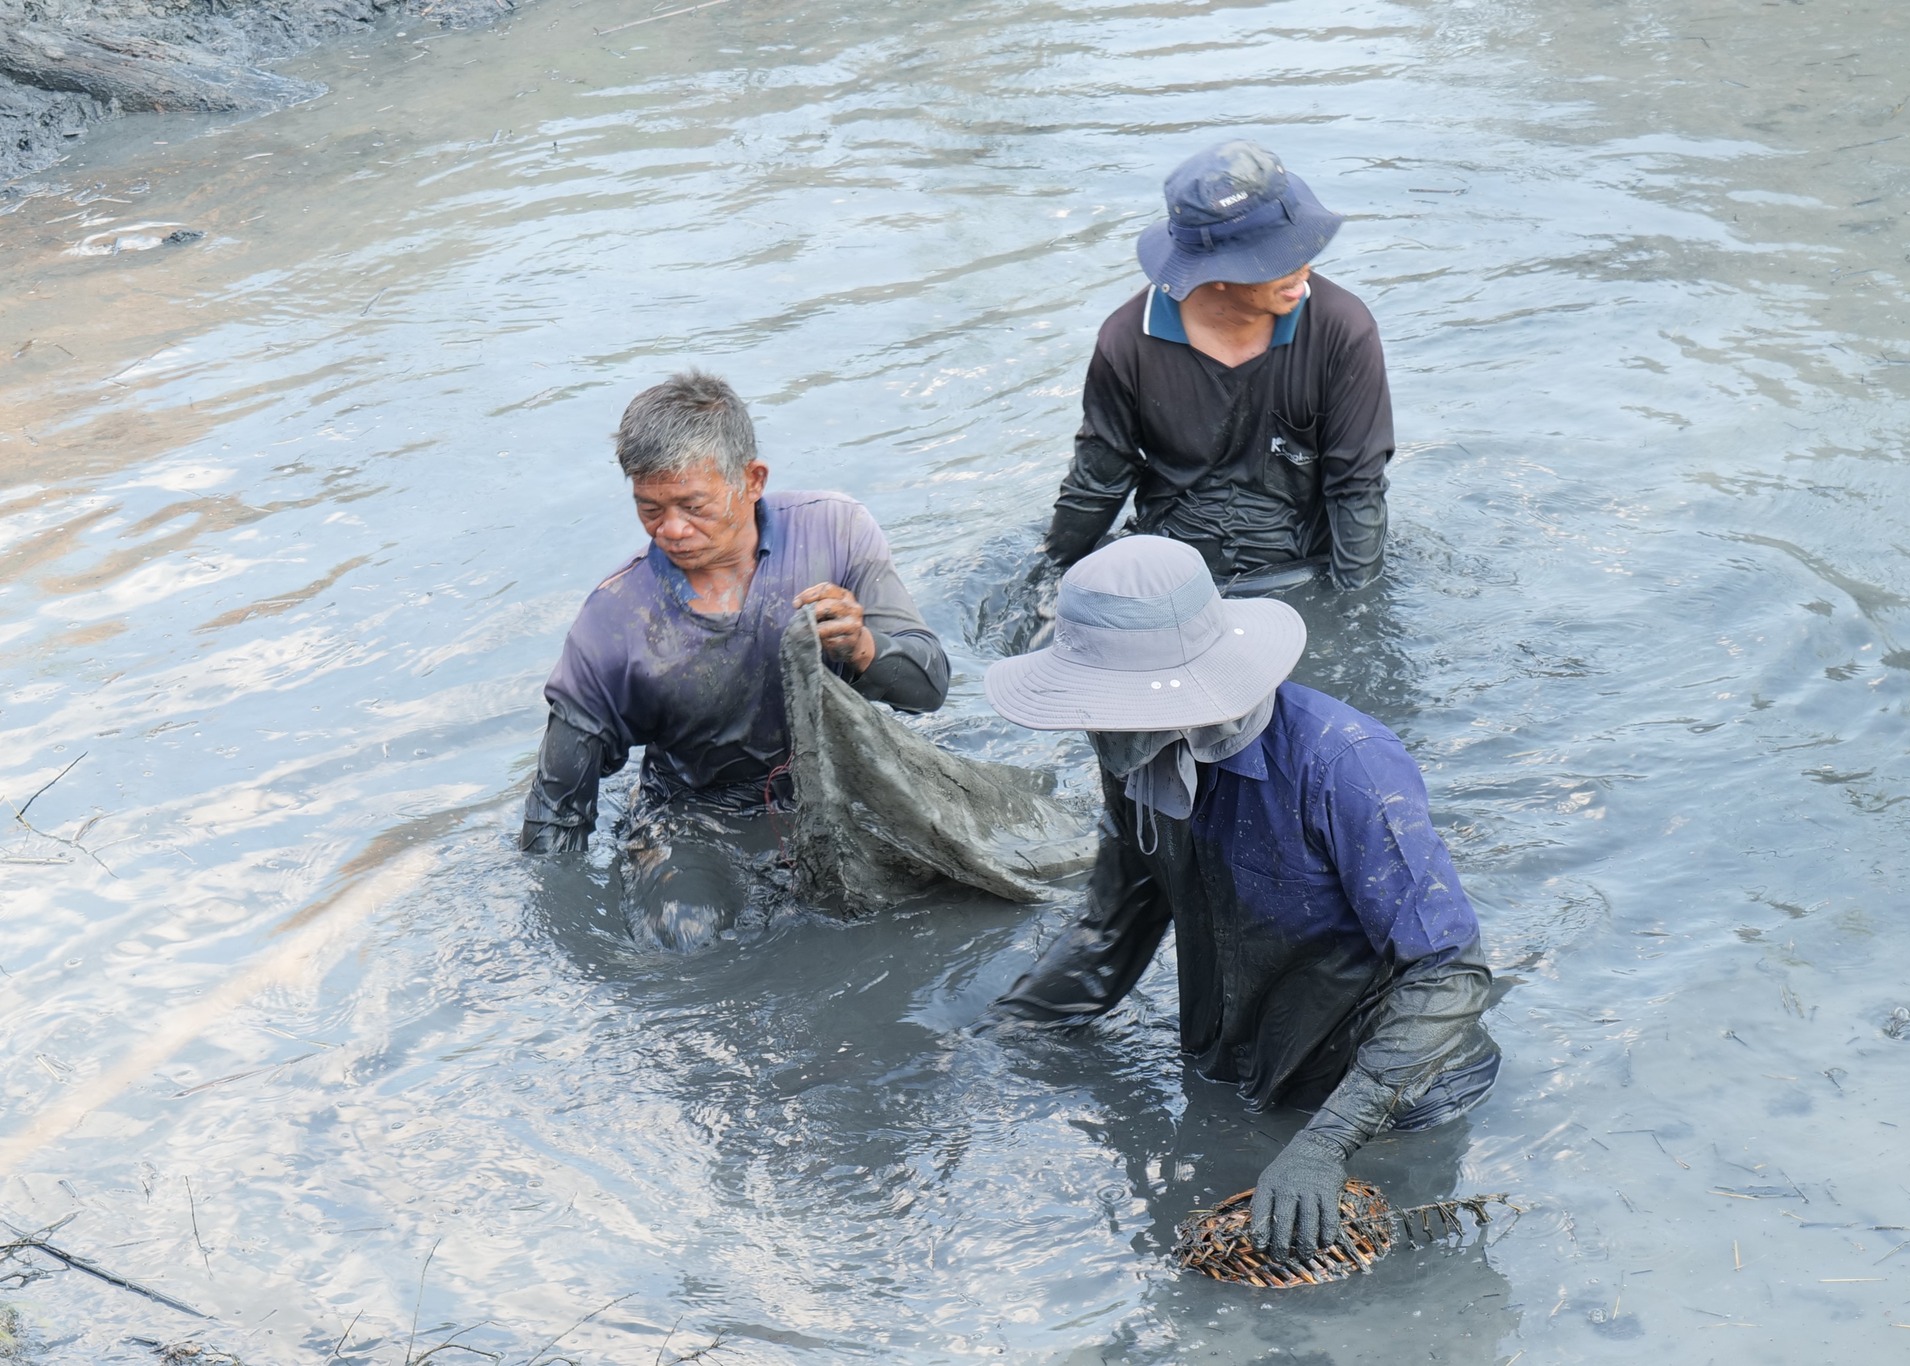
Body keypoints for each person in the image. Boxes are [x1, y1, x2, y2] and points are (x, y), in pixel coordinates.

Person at [980, 535, 1497, 1256]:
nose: (1090, 727)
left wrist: (1327, 1142)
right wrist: (1004, 1040)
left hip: (1394, 1102)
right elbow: (1118, 915)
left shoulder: (1344, 766)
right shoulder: (1134, 758)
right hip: (1248, 1067)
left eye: (1103, 707)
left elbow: (1450, 972)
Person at [519, 371, 950, 853]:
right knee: (684, 926)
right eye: (650, 510)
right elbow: (555, 815)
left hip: (838, 785)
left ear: (751, 481)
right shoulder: (614, 620)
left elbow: (928, 690)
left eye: (692, 505)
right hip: (693, 817)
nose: (672, 530)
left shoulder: (835, 533)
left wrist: (865, 648)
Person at [1040, 139, 1396, 592]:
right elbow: (1099, 482)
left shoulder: (1341, 331)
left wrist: (1354, 603)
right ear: (1217, 273)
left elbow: (1356, 489)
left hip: (1302, 567)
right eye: (1279, 257)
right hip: (1172, 566)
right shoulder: (1128, 341)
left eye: (1301, 246)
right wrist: (1054, 578)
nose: (1303, 266)